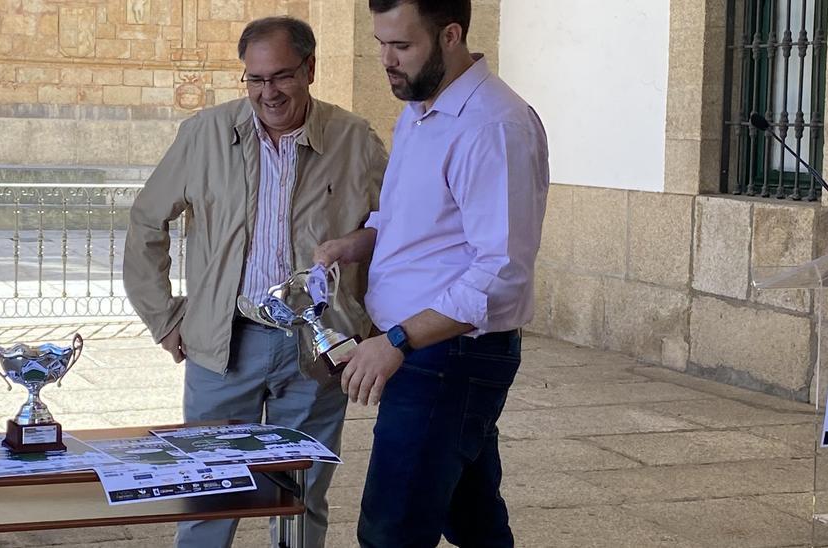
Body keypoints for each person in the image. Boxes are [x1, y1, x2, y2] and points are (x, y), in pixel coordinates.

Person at [124, 16, 387, 548]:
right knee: (208, 496)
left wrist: (371, 327)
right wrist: (165, 317)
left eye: (282, 77)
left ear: (310, 69)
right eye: (255, 79)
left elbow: (396, 232)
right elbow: (147, 222)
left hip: (316, 351)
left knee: (303, 498)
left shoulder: (354, 138)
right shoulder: (203, 134)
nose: (268, 93)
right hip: (224, 346)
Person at [313, 1, 549, 546]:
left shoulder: (495, 125)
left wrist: (396, 339)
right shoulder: (422, 106)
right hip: (429, 354)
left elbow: (502, 271)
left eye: (401, 46)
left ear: (450, 35)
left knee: (391, 529)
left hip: (449, 356)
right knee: (472, 522)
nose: (386, 60)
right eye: (379, 43)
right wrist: (356, 243)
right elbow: (416, 222)